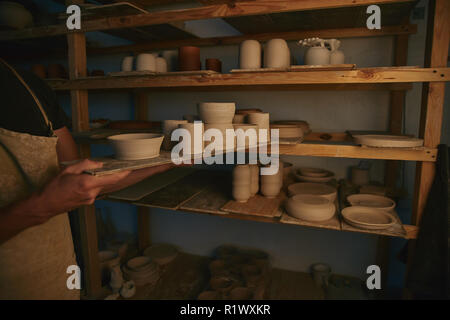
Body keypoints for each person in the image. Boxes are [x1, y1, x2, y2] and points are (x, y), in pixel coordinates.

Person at [0, 58, 174, 299]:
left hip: (56, 272)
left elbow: (86, 180)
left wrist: (163, 164)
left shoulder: (31, 87)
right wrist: (40, 207)